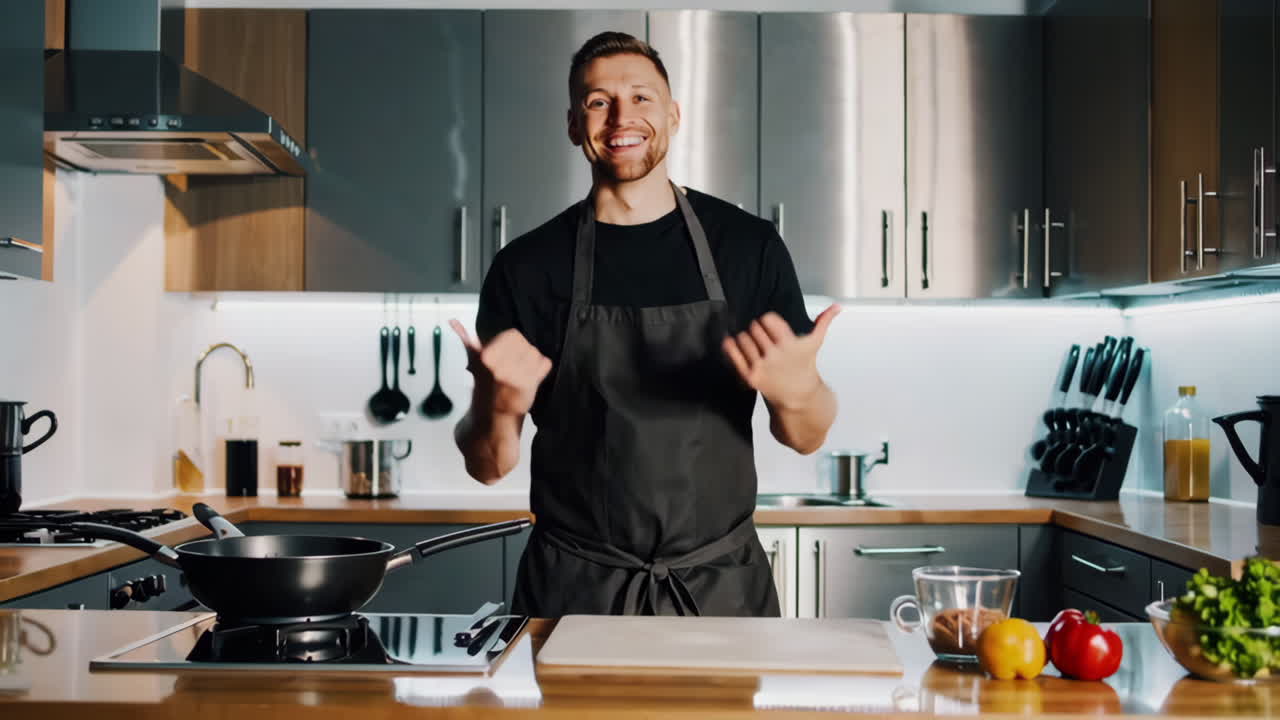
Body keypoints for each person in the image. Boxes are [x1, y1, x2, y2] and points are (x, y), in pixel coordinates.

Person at [450, 31, 839, 618]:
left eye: (641, 98)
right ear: (574, 124)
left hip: (720, 593)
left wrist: (800, 391)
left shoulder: (747, 248)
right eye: (598, 101)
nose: (621, 117)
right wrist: (495, 407)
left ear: (674, 115)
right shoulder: (526, 267)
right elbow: (488, 466)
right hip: (574, 596)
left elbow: (806, 435)